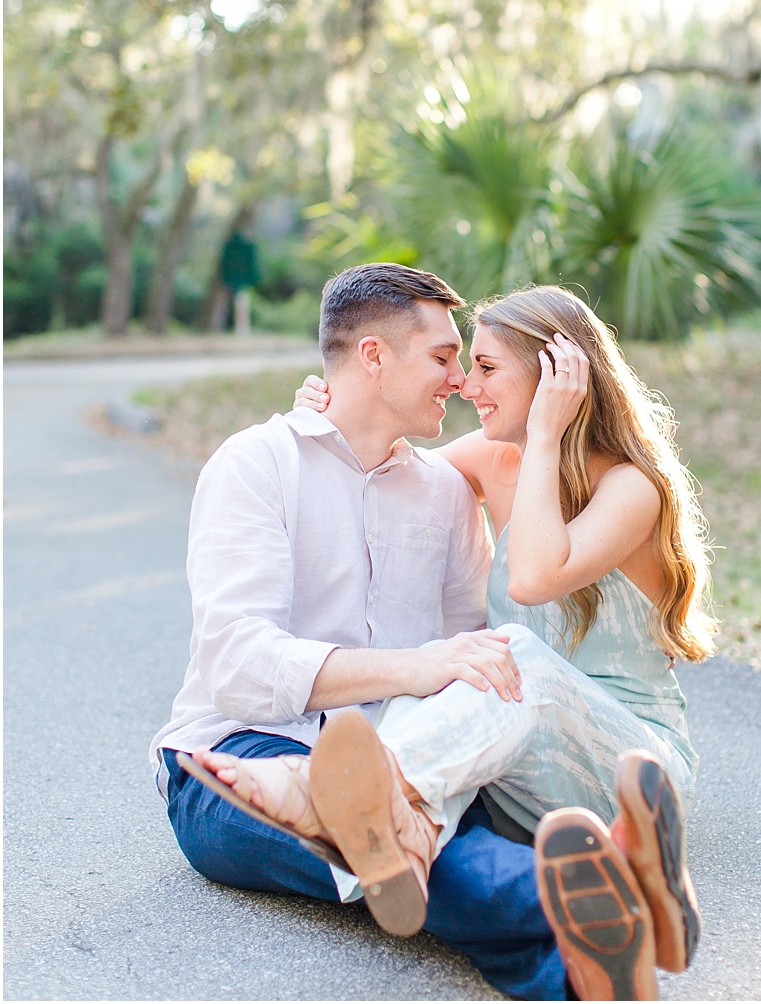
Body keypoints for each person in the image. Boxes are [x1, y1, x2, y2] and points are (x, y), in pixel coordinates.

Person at [152, 265, 696, 1001]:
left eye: (475, 363)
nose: (462, 382)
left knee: (427, 839)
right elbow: (240, 669)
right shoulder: (259, 464)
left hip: (411, 762)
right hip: (243, 750)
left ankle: (576, 954)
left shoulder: (445, 492)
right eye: (447, 358)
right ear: (372, 356)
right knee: (437, 857)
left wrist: (431, 674)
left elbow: (478, 651)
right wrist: (418, 667)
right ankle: (612, 908)